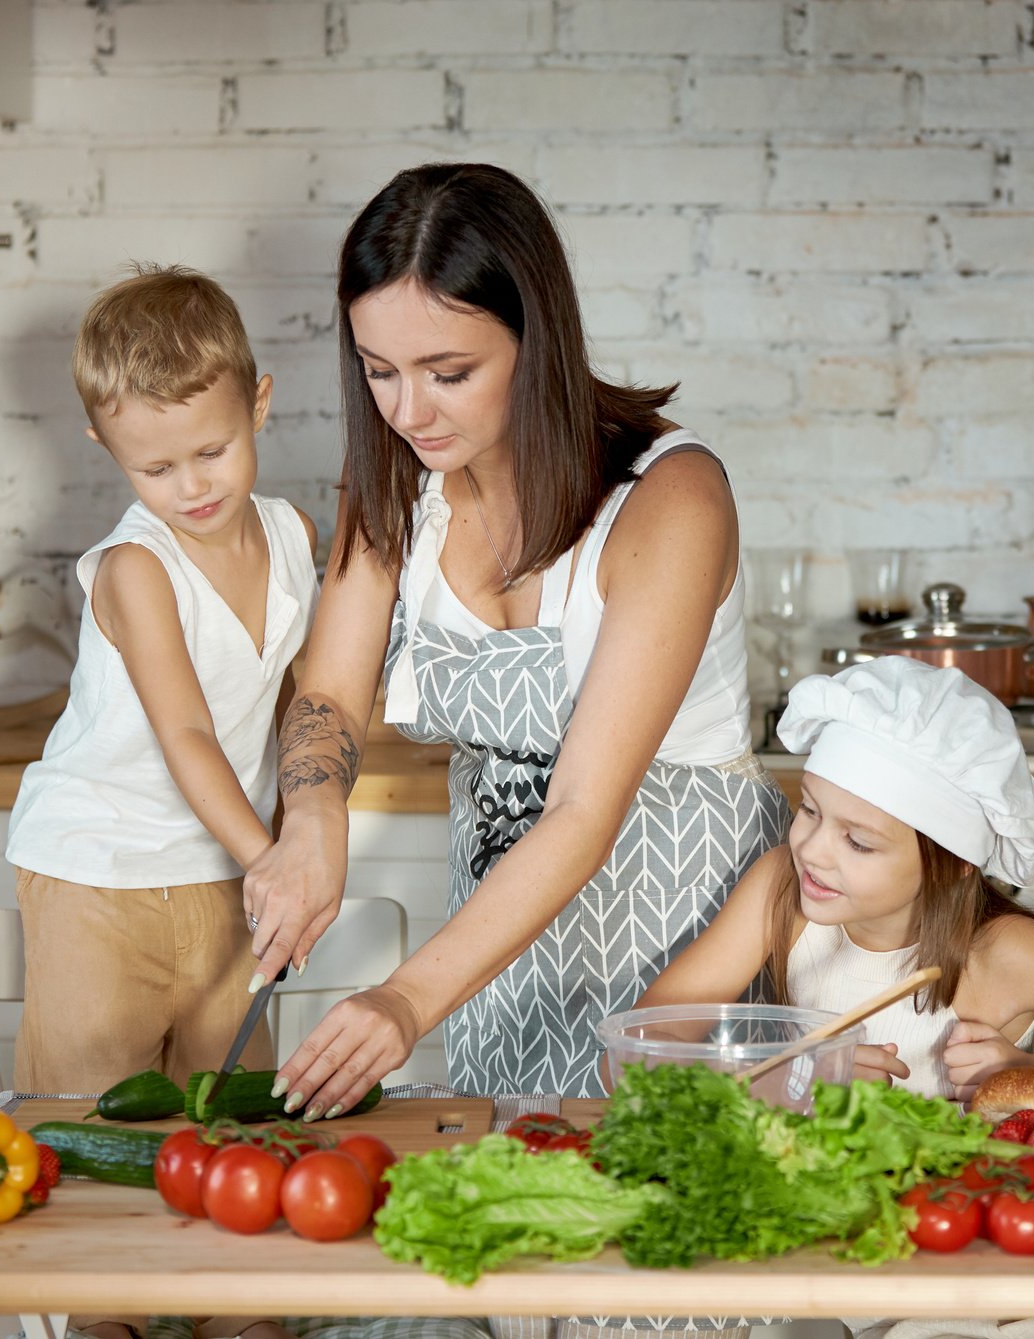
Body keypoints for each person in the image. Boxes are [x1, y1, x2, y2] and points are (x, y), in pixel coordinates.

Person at [247, 161, 790, 1119]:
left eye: (448, 373)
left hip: (680, 954)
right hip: (495, 960)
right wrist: (314, 817)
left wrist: (405, 997)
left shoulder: (669, 499)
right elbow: (329, 690)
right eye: (379, 371)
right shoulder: (391, 481)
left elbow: (582, 808)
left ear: (535, 339)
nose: (407, 412)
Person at [635, 655, 1034, 1102]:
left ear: (951, 861)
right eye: (810, 810)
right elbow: (639, 1045)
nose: (811, 850)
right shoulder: (781, 891)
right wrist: (780, 1078)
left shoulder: (1005, 954)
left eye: (859, 841)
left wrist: (1030, 1071)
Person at [5, 263, 319, 1098]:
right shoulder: (139, 568)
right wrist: (275, 860)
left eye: (212, 451)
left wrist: (289, 839)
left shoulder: (293, 536)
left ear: (257, 402)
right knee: (90, 1122)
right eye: (154, 469)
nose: (191, 487)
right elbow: (186, 732)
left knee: (230, 1117)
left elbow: (293, 698)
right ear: (106, 448)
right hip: (98, 875)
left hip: (227, 873)